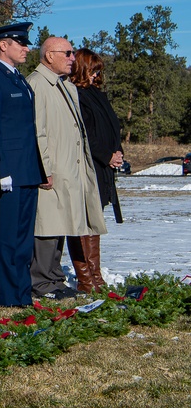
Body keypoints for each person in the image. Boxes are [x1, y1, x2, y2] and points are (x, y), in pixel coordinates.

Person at [26, 37, 107, 299]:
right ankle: (42, 282)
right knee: (46, 225)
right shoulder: (37, 84)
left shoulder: (65, 86)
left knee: (61, 224)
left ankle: (54, 278)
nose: (73, 58)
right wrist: (43, 167)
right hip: (52, 169)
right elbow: (38, 132)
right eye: (68, 53)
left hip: (70, 168)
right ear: (49, 56)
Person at [0, 22, 44, 307]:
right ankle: (7, 293)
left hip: (27, 169)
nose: (27, 49)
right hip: (10, 172)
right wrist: (2, 169)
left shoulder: (19, 79)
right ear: (3, 45)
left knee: (23, 237)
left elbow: (27, 129)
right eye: (21, 43)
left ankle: (21, 291)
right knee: (7, 236)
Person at [70, 48, 123, 292]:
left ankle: (95, 275)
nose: (95, 75)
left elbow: (111, 127)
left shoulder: (97, 95)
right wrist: (105, 155)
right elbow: (86, 134)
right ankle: (85, 279)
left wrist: (118, 152)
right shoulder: (76, 94)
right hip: (88, 165)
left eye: (98, 70)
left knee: (95, 220)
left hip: (103, 168)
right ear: (82, 68)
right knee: (84, 222)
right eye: (92, 70)